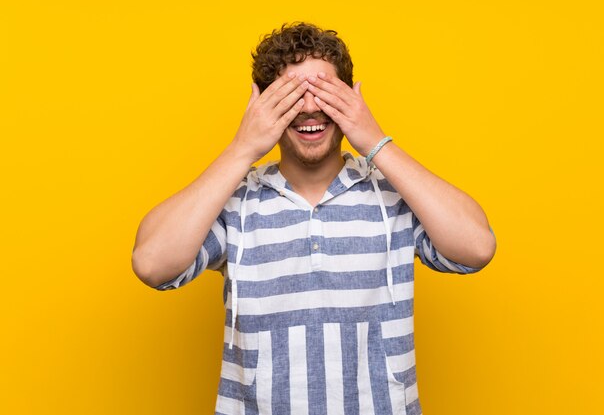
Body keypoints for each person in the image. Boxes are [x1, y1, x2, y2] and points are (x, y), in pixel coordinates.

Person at [132, 21, 496, 415]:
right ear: (261, 105)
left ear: (352, 97)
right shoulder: (236, 202)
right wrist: (241, 149)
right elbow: (152, 264)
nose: (308, 107)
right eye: (290, 96)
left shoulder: (392, 195)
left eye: (324, 92)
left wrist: (374, 141)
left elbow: (477, 247)